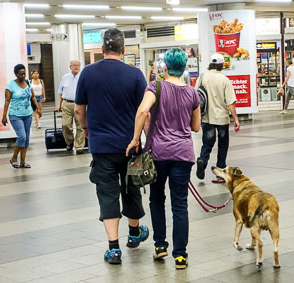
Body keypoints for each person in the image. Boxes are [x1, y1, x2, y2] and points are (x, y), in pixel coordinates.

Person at [74, 28, 149, 265]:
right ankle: (135, 233)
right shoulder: (136, 74)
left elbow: (78, 109)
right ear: (123, 49)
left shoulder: (87, 73)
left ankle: (113, 248)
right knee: (131, 188)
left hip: (101, 147)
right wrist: (144, 139)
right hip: (130, 145)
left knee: (107, 194)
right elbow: (144, 112)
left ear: (102, 50)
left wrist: (86, 130)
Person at [126, 48, 201, 270]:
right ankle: (180, 256)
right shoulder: (192, 93)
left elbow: (142, 111)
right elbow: (196, 126)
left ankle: (160, 246)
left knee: (157, 200)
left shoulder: (155, 87)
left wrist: (134, 140)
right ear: (184, 68)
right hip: (183, 154)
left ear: (165, 67)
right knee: (180, 204)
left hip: (158, 154)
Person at [195, 53, 240, 183]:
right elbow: (230, 102)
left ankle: (202, 160)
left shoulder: (202, 77)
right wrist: (236, 119)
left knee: (207, 143)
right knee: (222, 144)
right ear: (221, 65)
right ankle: (220, 173)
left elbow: (195, 95)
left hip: (207, 117)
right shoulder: (224, 80)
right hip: (222, 118)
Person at [2, 64, 41, 168]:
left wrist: (38, 108)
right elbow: (7, 101)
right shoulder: (11, 85)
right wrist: (4, 116)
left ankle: (23, 162)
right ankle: (14, 158)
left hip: (28, 114)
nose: (23, 76)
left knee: (26, 139)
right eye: (21, 74)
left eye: (24, 74)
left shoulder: (28, 82)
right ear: (16, 74)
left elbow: (32, 97)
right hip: (15, 115)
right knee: (22, 136)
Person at [56, 60, 85, 154]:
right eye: (74, 65)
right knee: (66, 125)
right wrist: (59, 105)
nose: (76, 67)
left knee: (80, 126)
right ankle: (69, 142)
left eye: (78, 65)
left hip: (79, 103)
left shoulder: (82, 77)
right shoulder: (65, 77)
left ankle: (79, 146)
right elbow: (60, 92)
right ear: (70, 67)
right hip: (67, 103)